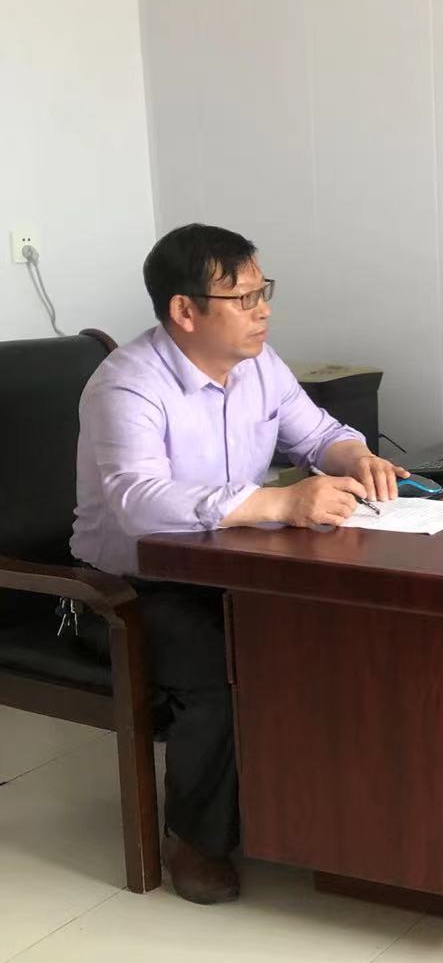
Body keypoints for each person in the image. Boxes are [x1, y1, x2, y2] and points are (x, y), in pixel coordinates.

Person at [72, 224, 408, 903]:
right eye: (245, 298)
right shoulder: (127, 386)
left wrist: (356, 457)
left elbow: (318, 434)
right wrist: (280, 504)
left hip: (226, 565)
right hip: (124, 589)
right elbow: (139, 502)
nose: (264, 311)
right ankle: (196, 842)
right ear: (185, 310)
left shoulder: (259, 365)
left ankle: (317, 814)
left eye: (264, 292)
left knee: (330, 630)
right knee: (219, 668)